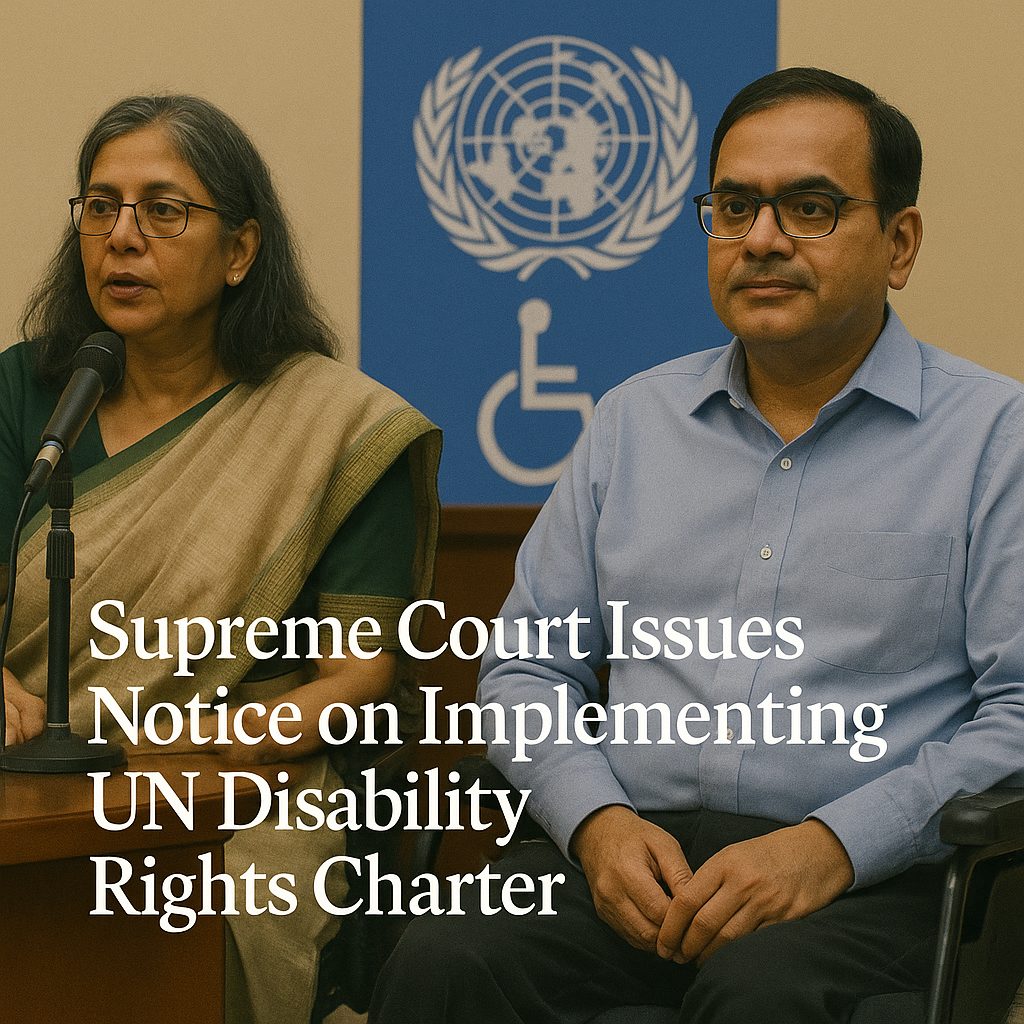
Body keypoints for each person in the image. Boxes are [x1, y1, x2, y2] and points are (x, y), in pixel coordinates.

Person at [369, 67, 1024, 1023]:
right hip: (632, 856)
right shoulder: (633, 424)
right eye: (735, 207)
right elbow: (526, 670)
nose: (762, 239)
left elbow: (1019, 714)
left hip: (870, 879)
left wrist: (833, 846)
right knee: (444, 964)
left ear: (900, 242)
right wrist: (596, 825)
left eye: (810, 208)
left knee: (761, 998)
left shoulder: (995, 439)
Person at [0, 95, 440, 1024]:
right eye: (99, 207)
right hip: (22, 772)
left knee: (205, 917)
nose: (122, 237)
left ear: (240, 251)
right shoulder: (21, 392)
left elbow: (360, 673)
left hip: (237, 784)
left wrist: (221, 748)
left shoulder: (332, 425)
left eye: (163, 210)